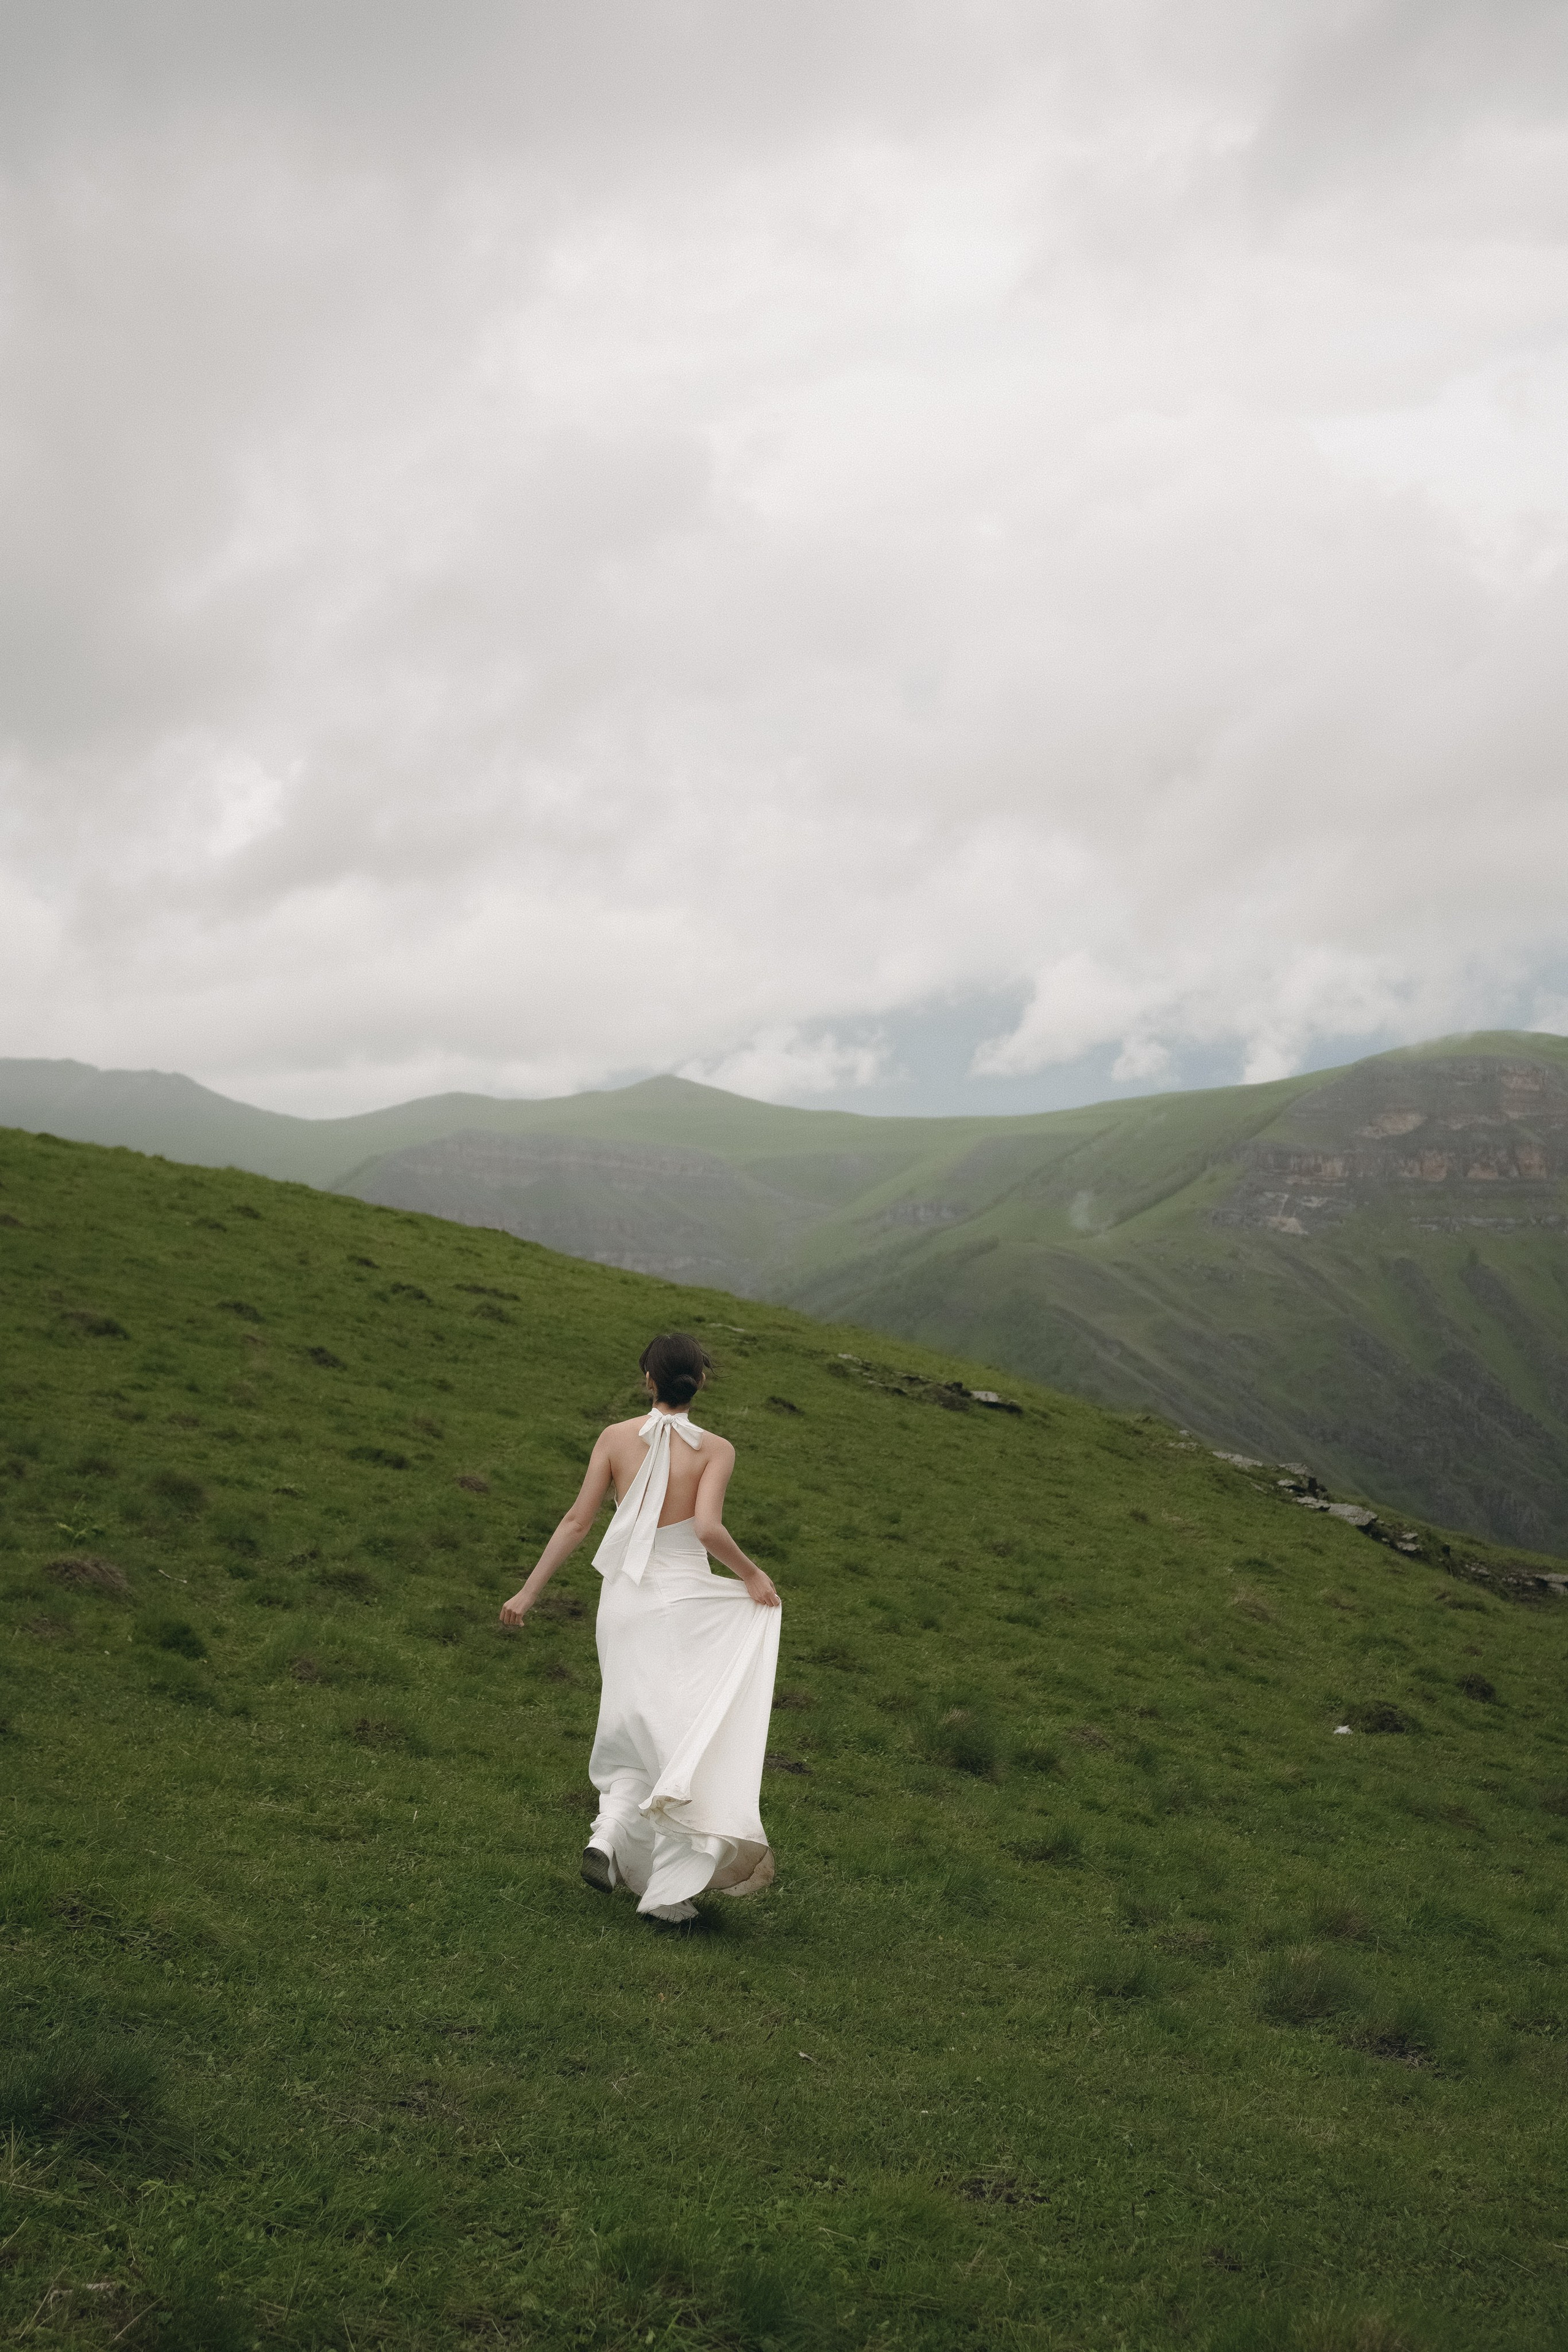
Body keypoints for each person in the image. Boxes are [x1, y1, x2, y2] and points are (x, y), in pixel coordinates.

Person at [500, 1332, 782, 1924]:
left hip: (624, 1601)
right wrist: (753, 1576)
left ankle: (608, 1836)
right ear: (700, 1381)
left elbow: (579, 1521)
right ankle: (666, 1893)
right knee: (680, 1739)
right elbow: (707, 1529)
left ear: (647, 1381)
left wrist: (529, 1590)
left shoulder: (613, 1438)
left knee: (631, 1722)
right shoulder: (716, 1449)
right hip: (682, 1604)